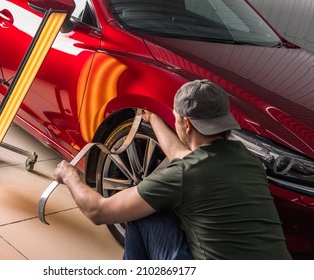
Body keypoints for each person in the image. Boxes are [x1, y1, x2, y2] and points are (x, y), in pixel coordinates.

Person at [53, 79, 291, 260]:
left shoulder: (183, 175)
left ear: (186, 124)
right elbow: (183, 155)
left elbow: (98, 211)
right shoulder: (248, 160)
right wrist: (153, 119)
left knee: (141, 212)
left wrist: (70, 176)